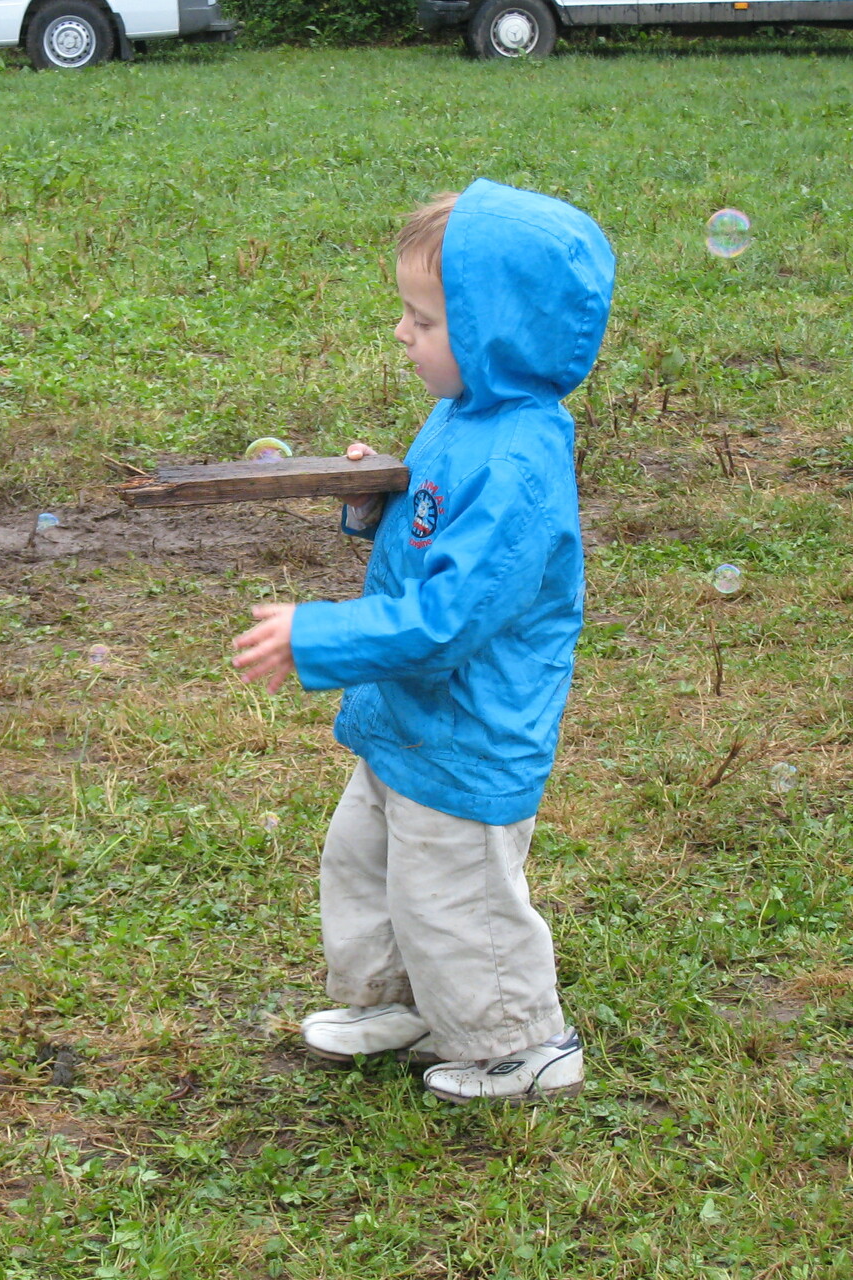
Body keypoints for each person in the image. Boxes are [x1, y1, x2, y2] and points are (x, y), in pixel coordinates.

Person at [230, 180, 614, 1104]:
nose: (402, 334)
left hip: (469, 727)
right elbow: (431, 525)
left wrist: (317, 633)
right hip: (410, 718)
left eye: (426, 320)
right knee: (366, 862)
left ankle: (522, 1044)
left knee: (455, 896)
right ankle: (399, 1003)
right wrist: (378, 501)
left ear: (498, 334)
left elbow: (449, 619)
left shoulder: (518, 460)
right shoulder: (463, 411)